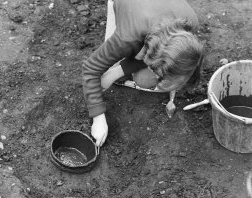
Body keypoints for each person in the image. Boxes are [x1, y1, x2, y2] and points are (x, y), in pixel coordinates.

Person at [82, 0, 204, 147]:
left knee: (143, 79)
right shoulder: (126, 38)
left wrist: (117, 73)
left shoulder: (191, 24)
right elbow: (90, 68)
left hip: (149, 11)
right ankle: (112, 5)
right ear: (147, 51)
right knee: (117, 68)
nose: (157, 79)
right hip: (133, 11)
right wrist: (98, 117)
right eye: (158, 73)